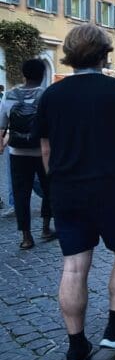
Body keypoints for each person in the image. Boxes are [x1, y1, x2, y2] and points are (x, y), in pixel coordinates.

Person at [37, 24, 115, 360]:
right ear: (104, 53)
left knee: (74, 265)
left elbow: (45, 148)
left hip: (67, 188)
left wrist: (55, 181)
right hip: (112, 185)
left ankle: (75, 348)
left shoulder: (52, 95)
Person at [0, 58, 53, 249]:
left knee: (21, 194)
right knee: (49, 190)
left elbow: (2, 125)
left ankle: (26, 237)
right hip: (42, 151)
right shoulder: (47, 95)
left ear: (23, 74)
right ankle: (46, 228)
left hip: (17, 152)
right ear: (42, 75)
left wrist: (1, 145)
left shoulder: (10, 95)